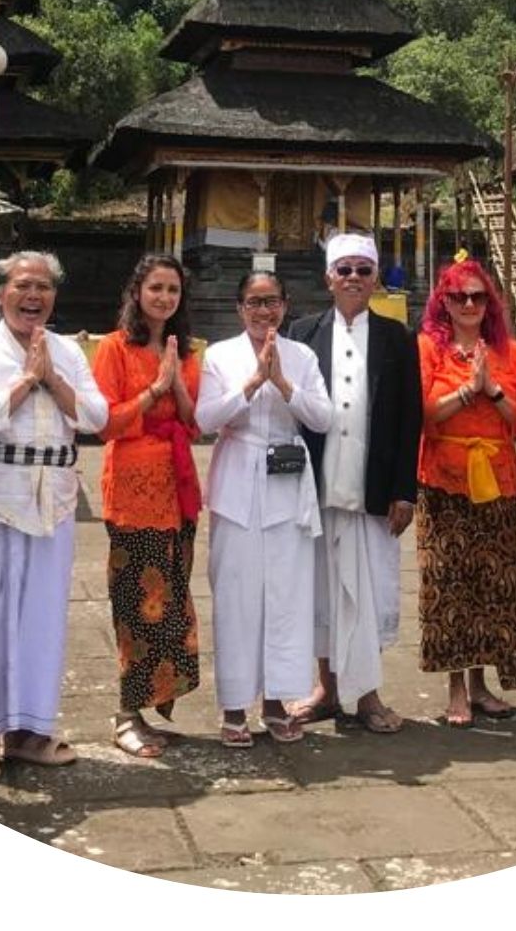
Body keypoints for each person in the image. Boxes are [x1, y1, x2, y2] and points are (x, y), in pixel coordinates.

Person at [0, 251, 109, 781]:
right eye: (22, 286)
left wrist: (53, 379)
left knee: (42, 615)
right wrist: (24, 382)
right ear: (0, 292)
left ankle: (28, 731)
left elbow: (96, 415)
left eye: (43, 287)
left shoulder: (67, 351)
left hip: (53, 495)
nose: (33, 296)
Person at [285, 233, 422, 734]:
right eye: (343, 270)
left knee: (366, 592)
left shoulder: (396, 338)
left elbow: (411, 420)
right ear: (327, 277)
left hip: (374, 486)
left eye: (363, 270)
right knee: (319, 592)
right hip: (316, 485)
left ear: (375, 278)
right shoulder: (303, 333)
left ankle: (367, 695)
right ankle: (326, 690)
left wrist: (405, 490)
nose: (353, 279)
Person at [198, 272, 333, 746]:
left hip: (288, 476)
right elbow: (206, 418)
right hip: (237, 471)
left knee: (287, 596)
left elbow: (323, 417)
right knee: (236, 594)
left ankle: (277, 702)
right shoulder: (219, 355)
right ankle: (234, 707)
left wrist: (284, 383)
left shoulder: (303, 356)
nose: (263, 311)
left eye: (272, 301)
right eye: (254, 302)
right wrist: (255, 382)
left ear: (286, 303)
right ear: (240, 308)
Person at [89, 254, 202, 759]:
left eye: (173, 290)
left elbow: (195, 421)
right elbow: (104, 423)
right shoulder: (114, 349)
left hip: (176, 488)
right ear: (138, 292)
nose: (164, 298)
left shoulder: (189, 352)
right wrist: (153, 390)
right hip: (133, 489)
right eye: (156, 288)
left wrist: (174, 380)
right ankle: (125, 713)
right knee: (135, 603)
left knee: (172, 600)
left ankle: (150, 700)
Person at [416, 256, 516, 727]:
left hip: (496, 477)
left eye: (477, 296)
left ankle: (483, 683)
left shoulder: (507, 353)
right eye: (458, 296)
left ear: (490, 303)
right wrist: (468, 391)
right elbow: (423, 413)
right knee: (449, 583)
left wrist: (494, 391)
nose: (468, 303)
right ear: (443, 302)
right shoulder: (428, 348)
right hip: (444, 476)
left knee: (491, 583)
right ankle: (456, 687)